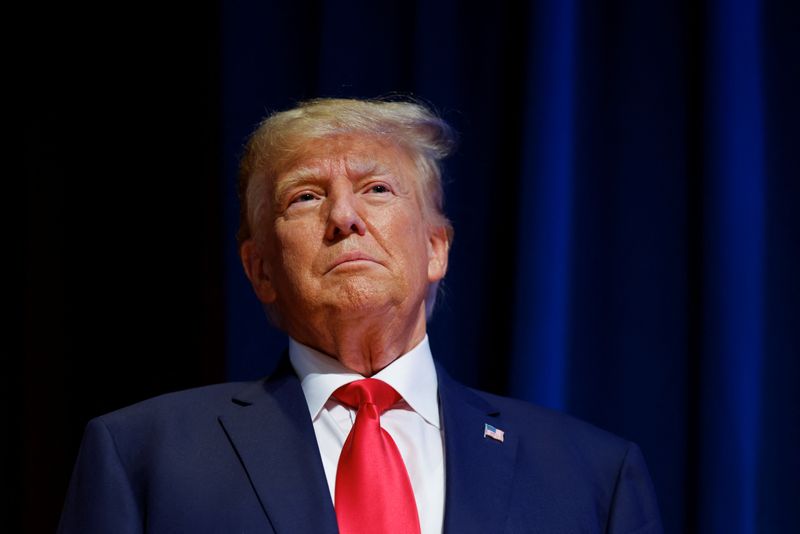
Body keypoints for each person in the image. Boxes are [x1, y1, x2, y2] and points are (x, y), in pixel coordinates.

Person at [58, 97, 663, 533]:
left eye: (377, 189)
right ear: (260, 269)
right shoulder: (144, 455)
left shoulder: (591, 476)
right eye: (306, 196)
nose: (344, 217)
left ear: (435, 248)